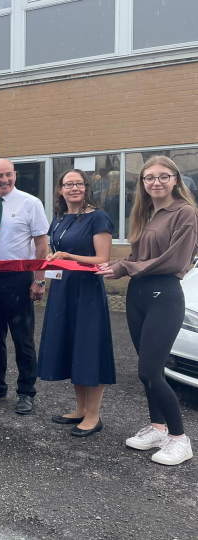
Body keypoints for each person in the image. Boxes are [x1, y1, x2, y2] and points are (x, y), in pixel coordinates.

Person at [98, 155, 198, 466]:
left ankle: (180, 439)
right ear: (142, 183)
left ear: (175, 179)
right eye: (148, 177)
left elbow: (174, 260)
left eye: (162, 176)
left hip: (164, 293)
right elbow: (139, 254)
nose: (155, 182)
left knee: (151, 371)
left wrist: (123, 267)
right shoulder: (146, 213)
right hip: (138, 293)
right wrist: (120, 265)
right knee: (145, 370)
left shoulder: (185, 213)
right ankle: (157, 428)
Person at [37, 170, 115, 437]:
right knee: (72, 346)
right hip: (62, 288)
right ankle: (81, 408)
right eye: (68, 184)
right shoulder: (58, 219)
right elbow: (53, 251)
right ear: (60, 190)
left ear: (86, 188)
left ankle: (94, 415)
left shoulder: (98, 217)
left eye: (79, 184)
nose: (74, 188)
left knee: (89, 348)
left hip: (87, 291)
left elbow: (103, 258)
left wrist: (68, 256)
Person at [0, 158, 50, 415]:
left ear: (15, 176)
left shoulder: (31, 203)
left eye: (8, 175)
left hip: (17, 279)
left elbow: (41, 245)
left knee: (22, 338)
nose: (3, 180)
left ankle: (26, 392)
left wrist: (39, 279)